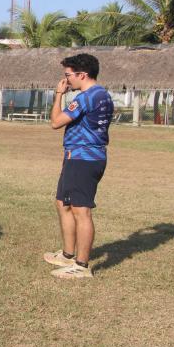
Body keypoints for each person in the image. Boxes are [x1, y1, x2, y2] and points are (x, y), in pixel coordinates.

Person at [45, 53, 114, 279]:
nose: (66, 80)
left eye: (68, 75)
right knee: (62, 204)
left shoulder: (85, 97)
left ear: (82, 75)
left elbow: (56, 122)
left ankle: (81, 266)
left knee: (80, 210)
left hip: (83, 158)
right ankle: (67, 254)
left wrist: (58, 95)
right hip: (78, 156)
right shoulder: (103, 94)